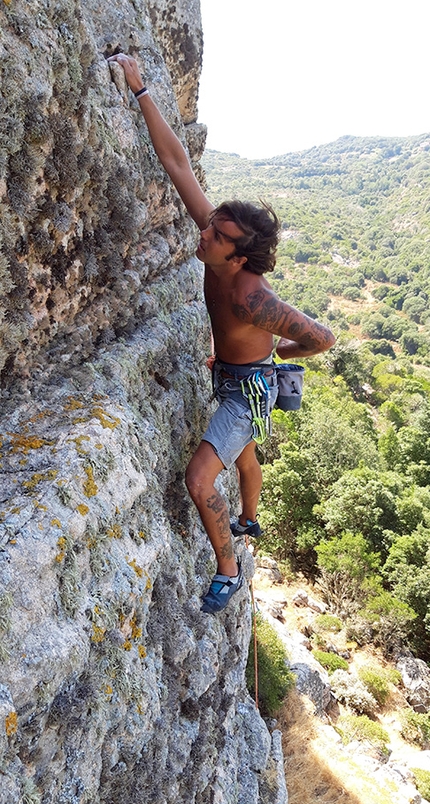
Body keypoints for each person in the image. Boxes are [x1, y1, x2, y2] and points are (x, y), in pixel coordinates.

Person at [108, 54, 336, 614]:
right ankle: (252, 517)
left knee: (200, 478)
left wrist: (278, 354)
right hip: (237, 375)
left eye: (217, 234)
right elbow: (179, 165)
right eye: (210, 225)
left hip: (250, 389)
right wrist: (141, 91)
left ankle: (228, 568)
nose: (203, 232)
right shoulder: (219, 248)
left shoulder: (253, 298)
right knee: (247, 455)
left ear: (239, 258)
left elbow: (323, 337)